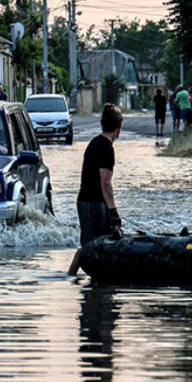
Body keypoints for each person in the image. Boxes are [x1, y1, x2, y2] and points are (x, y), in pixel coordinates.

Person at [67, 103, 124, 275]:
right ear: (119, 126)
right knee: (91, 246)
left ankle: (79, 278)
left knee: (96, 244)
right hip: (93, 203)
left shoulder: (96, 143)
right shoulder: (106, 148)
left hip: (90, 201)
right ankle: (71, 276)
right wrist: (114, 214)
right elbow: (105, 183)